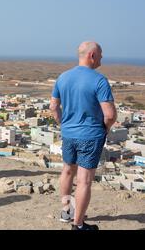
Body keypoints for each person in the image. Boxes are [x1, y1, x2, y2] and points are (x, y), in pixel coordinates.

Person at [50, 41, 117, 231]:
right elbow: (110, 115)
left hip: (69, 134)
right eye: (101, 54)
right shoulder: (99, 80)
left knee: (67, 171)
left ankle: (66, 212)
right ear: (92, 55)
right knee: (84, 180)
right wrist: (104, 128)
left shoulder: (62, 77)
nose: (102, 58)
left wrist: (64, 125)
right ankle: (78, 225)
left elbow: (53, 107)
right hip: (90, 135)